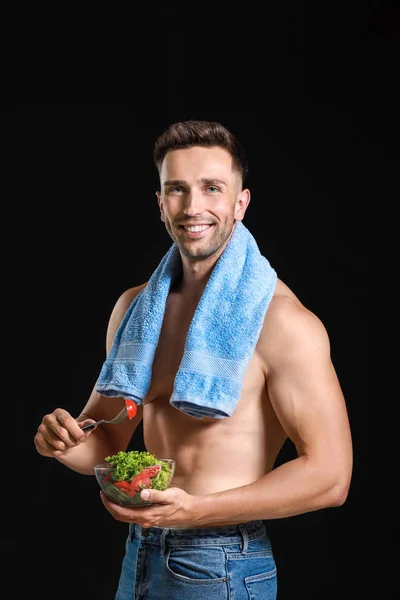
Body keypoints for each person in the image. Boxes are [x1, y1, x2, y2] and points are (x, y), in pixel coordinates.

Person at [34, 119, 353, 599]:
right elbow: (106, 442)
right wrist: (62, 444)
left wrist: (193, 511)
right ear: (161, 203)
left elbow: (331, 476)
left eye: (212, 188)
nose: (193, 206)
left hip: (222, 560)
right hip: (139, 553)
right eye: (177, 190)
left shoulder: (281, 323)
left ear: (239, 203)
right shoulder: (135, 310)